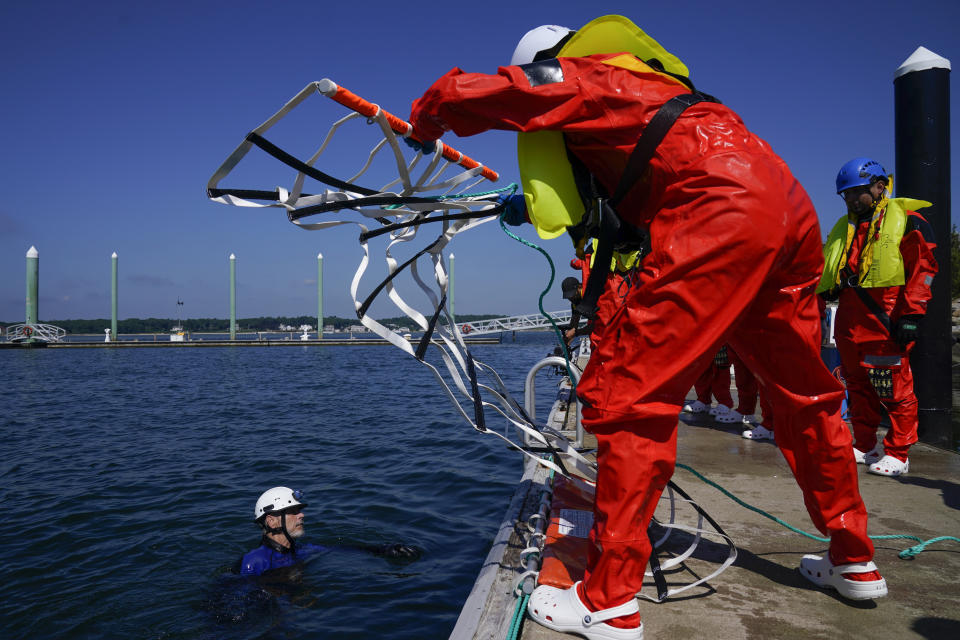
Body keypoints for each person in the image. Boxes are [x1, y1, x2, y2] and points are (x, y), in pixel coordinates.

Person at [408, 16, 886, 639]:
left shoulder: (587, 75)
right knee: (806, 396)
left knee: (629, 398)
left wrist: (427, 117)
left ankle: (607, 602)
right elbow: (626, 205)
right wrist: (531, 203)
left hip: (717, 208)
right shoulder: (665, 93)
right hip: (787, 210)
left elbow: (490, 91)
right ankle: (854, 559)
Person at [817, 158, 938, 477]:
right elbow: (832, 266)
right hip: (849, 315)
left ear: (880, 186)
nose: (852, 200)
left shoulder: (907, 221)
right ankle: (865, 444)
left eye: (857, 192)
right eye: (846, 195)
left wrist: (911, 315)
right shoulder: (846, 227)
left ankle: (899, 453)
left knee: (892, 389)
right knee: (856, 386)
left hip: (885, 316)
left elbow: (923, 270)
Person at [239, 487, 420, 577]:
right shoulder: (255, 561)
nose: (302, 515)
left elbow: (341, 549)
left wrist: (383, 549)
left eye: (300, 510)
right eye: (294, 512)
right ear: (271, 521)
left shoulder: (302, 550)